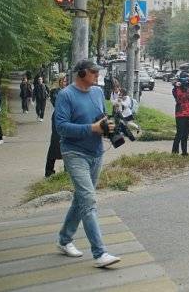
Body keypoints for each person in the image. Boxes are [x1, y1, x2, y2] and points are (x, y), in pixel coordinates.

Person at [54, 59, 121, 268]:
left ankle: (64, 239)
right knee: (89, 200)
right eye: (93, 72)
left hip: (96, 152)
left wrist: (108, 126)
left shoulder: (98, 92)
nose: (97, 76)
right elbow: (62, 128)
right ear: (81, 73)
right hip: (74, 152)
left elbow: (100, 117)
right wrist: (91, 128)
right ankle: (100, 253)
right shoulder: (65, 95)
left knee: (81, 199)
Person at [45, 74, 68, 176]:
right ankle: (49, 171)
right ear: (59, 81)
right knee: (55, 143)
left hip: (67, 118)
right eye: (63, 81)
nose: (65, 83)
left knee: (68, 143)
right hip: (58, 119)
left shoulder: (66, 91)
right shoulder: (55, 92)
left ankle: (67, 170)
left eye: (66, 81)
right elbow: (57, 103)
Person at [171, 72, 189, 156]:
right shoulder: (176, 89)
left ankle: (184, 152)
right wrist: (176, 85)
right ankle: (174, 152)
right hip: (180, 113)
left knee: (185, 134)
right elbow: (178, 96)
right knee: (179, 133)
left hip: (187, 113)